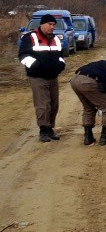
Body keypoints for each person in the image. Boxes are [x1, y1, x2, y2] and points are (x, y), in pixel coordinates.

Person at [18, 13, 66, 142]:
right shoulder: (30, 37)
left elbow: (61, 55)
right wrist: (36, 66)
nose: (52, 27)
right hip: (37, 77)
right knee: (43, 105)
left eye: (53, 25)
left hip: (53, 76)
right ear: (42, 24)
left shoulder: (56, 39)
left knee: (54, 104)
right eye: (49, 24)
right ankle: (43, 130)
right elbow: (23, 56)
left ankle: (50, 128)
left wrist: (61, 65)